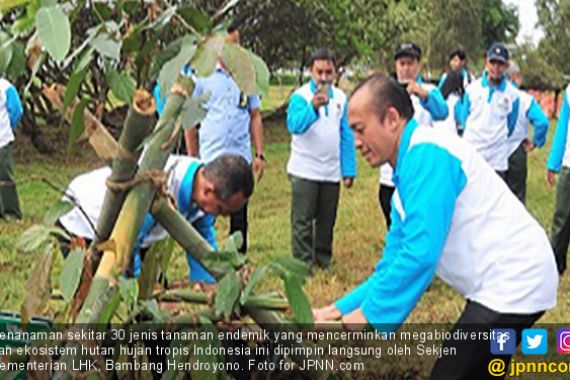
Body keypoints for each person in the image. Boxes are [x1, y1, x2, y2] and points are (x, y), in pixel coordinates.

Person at [313, 74, 558, 379]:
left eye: (360, 130)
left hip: (514, 281)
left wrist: (368, 314)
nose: (357, 142)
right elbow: (392, 263)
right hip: (505, 279)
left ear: (391, 118)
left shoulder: (428, 154)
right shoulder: (406, 176)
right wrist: (338, 308)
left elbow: (421, 252)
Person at [57, 154, 254, 283]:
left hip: (135, 235)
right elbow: (128, 247)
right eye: (220, 210)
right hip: (81, 219)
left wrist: (209, 283)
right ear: (208, 190)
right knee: (94, 304)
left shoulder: (200, 184)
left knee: (156, 317)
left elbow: (201, 240)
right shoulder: (160, 186)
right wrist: (139, 291)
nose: (218, 216)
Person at [183, 27, 264, 255]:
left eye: (236, 45)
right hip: (212, 157)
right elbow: (189, 120)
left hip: (240, 157)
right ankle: (202, 259)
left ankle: (238, 260)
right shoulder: (202, 76)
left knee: (239, 214)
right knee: (203, 213)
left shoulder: (246, 76)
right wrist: (192, 158)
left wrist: (259, 154)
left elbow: (255, 115)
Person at [286, 48, 356, 269]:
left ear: (335, 73)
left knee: (327, 219)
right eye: (319, 72)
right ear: (310, 71)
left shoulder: (342, 99)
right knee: (303, 220)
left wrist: (349, 170)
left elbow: (346, 135)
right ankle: (302, 262)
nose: (324, 77)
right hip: (304, 167)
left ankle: (323, 259)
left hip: (331, 169)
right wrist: (312, 108)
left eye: (329, 72)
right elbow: (294, 125)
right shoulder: (300, 97)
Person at [379, 42, 448, 227]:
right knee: (394, 225)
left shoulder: (429, 91)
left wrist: (422, 95)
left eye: (410, 63)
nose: (406, 68)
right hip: (389, 175)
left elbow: (442, 111)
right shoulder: (386, 92)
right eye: (402, 63)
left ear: (418, 65)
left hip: (419, 172)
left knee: (417, 224)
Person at [456, 42, 521, 180]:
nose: (496, 68)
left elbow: (511, 125)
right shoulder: (472, 89)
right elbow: (463, 118)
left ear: (506, 66)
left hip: (497, 159)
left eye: (500, 64)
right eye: (492, 62)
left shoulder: (513, 95)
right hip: (473, 151)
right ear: (486, 62)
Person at [504, 61, 549, 204]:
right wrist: (536, 142)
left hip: (495, 148)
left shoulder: (494, 94)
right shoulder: (525, 98)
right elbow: (542, 122)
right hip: (517, 149)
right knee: (517, 195)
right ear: (515, 76)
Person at [546, 83, 570, 275]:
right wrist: (553, 163)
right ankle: (556, 262)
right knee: (562, 216)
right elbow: (562, 128)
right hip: (569, 165)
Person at [436, 48, 475, 136]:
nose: (453, 63)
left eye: (456, 60)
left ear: (463, 62)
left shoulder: (469, 78)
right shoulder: (445, 77)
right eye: (452, 60)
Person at [0, 77, 23, 220]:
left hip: (1, 140)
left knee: (5, 175)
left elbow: (16, 110)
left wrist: (7, 127)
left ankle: (12, 212)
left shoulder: (4, 86)